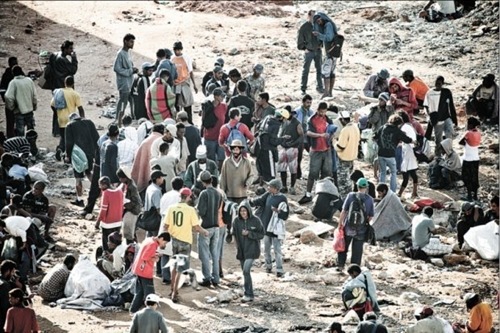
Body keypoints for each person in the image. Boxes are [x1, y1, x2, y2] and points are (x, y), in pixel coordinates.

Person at [164, 188, 208, 303]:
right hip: (185, 241)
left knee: (174, 266)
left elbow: (166, 226)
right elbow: (196, 227)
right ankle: (175, 293)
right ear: (188, 197)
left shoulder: (171, 208)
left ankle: (172, 288)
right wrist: (204, 232)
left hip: (174, 240)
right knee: (181, 268)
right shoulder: (190, 210)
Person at [249, 179, 289, 277]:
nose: (268, 188)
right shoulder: (268, 195)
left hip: (275, 230)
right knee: (266, 249)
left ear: (276, 188)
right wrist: (248, 202)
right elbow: (258, 201)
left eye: (270, 187)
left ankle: (279, 269)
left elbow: (285, 214)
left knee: (277, 250)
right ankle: (268, 266)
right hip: (266, 228)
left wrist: (278, 211)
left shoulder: (282, 198)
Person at [336, 178, 374, 270]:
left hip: (348, 227)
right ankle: (354, 270)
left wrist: (340, 224)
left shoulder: (350, 196)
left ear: (357, 186)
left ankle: (340, 265)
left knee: (343, 246)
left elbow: (344, 211)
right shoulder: (369, 200)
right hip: (361, 230)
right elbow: (370, 216)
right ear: (367, 187)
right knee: (357, 251)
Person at [299, 102, 332, 204]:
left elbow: (331, 128)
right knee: (313, 173)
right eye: (321, 111)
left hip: (326, 149)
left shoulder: (327, 118)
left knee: (326, 173)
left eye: (325, 111)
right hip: (316, 150)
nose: (323, 113)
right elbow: (308, 132)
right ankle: (308, 194)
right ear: (318, 110)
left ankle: (322, 194)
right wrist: (321, 135)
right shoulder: (312, 120)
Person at [129, 232, 170, 314]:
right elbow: (146, 257)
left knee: (139, 292)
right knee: (150, 294)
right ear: (161, 239)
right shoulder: (153, 245)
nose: (164, 244)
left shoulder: (149, 239)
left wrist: (155, 254)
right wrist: (155, 258)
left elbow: (146, 253)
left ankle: (133, 310)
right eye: (164, 242)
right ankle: (150, 313)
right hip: (145, 271)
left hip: (138, 269)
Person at [65, 113, 100, 207]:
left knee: (78, 177)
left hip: (78, 154)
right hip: (90, 153)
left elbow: (69, 143)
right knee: (89, 172)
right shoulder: (89, 122)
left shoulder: (70, 125)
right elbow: (97, 138)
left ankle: (79, 199)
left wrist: (67, 156)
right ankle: (99, 193)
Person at [232, 200, 265, 302]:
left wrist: (249, 234)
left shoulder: (256, 220)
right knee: (245, 272)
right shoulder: (236, 221)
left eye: (245, 211)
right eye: (241, 211)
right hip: (241, 250)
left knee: (246, 270)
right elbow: (234, 235)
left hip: (252, 250)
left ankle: (248, 294)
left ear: (249, 211)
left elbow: (261, 234)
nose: (243, 213)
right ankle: (250, 293)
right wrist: (237, 248)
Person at [196, 171, 222, 287]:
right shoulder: (218, 193)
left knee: (204, 254)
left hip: (205, 227)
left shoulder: (204, 193)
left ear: (202, 182)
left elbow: (201, 211)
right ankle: (216, 278)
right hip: (216, 226)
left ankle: (207, 278)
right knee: (214, 253)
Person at [375, 114, 413, 193]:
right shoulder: (397, 130)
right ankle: (392, 192)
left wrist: (380, 144)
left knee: (382, 173)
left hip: (381, 154)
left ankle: (381, 192)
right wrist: (414, 141)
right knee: (393, 173)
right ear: (398, 124)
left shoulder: (382, 127)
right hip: (390, 155)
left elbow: (374, 137)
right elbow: (407, 140)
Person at [51, 75, 85, 160]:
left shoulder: (59, 92)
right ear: (73, 84)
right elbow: (80, 108)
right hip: (71, 119)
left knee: (63, 136)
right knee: (70, 138)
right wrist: (82, 119)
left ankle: (60, 149)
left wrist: (57, 113)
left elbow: (52, 105)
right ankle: (67, 155)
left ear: (65, 83)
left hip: (61, 119)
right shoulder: (75, 94)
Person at [423, 76, 457, 156]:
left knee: (450, 135)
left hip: (446, 117)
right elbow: (426, 106)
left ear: (442, 84)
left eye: (439, 83)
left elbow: (451, 106)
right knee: (438, 139)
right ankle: (438, 155)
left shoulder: (446, 92)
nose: (437, 85)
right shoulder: (429, 93)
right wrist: (430, 116)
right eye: (436, 83)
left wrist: (454, 120)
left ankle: (449, 153)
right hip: (436, 118)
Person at [131, 123, 165, 195]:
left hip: (146, 177)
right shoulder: (162, 141)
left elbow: (138, 161)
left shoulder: (145, 142)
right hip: (160, 176)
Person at [4, 66, 37, 137]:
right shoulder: (29, 80)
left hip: (19, 111)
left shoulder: (13, 83)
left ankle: (21, 146)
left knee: (20, 132)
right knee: (31, 131)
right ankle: (31, 146)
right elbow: (34, 95)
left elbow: (8, 96)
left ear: (13, 73)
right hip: (29, 110)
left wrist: (11, 107)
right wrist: (34, 106)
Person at [334, 111, 361, 199]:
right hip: (352, 158)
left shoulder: (345, 130)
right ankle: (350, 199)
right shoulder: (355, 127)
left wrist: (334, 142)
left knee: (343, 183)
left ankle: (345, 202)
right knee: (348, 180)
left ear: (342, 119)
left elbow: (341, 146)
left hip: (344, 159)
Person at [277, 108, 303, 194]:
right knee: (282, 167)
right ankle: (284, 186)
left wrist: (293, 143)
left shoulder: (297, 123)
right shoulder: (283, 121)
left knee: (293, 168)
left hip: (292, 148)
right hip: (283, 147)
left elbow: (301, 136)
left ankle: (292, 187)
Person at [297, 10, 323, 95]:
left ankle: (320, 87)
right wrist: (305, 48)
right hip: (309, 51)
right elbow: (300, 41)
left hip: (318, 51)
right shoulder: (304, 27)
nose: (314, 18)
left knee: (319, 70)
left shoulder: (319, 25)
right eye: (312, 16)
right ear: (309, 16)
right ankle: (303, 88)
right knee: (306, 70)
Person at [171, 41, 198, 124]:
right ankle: (178, 122)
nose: (177, 52)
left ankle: (189, 121)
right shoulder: (172, 59)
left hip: (184, 83)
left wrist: (194, 85)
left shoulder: (186, 58)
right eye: (176, 50)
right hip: (176, 84)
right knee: (176, 104)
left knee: (187, 104)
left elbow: (190, 71)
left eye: (179, 50)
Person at [95, 176, 124, 253]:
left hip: (107, 224)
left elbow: (103, 211)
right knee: (116, 242)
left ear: (105, 185)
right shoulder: (119, 191)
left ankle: (106, 258)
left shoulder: (106, 193)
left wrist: (97, 223)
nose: (99, 187)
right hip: (118, 222)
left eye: (100, 185)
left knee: (107, 243)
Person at [220, 139, 253, 204]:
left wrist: (248, 182)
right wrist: (222, 192)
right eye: (234, 149)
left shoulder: (246, 162)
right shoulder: (226, 162)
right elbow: (222, 179)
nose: (235, 151)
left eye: (237, 149)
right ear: (231, 150)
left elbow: (251, 175)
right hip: (230, 195)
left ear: (241, 150)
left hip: (242, 194)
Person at [114, 33, 137, 127]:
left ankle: (122, 120)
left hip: (129, 82)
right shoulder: (120, 54)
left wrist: (134, 70)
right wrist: (130, 71)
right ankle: (118, 122)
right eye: (131, 42)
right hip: (124, 83)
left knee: (127, 101)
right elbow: (117, 68)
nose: (132, 44)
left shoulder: (127, 53)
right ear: (125, 41)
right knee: (123, 102)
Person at [313, 12, 338, 98]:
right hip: (333, 52)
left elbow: (329, 38)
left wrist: (318, 35)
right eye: (317, 21)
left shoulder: (328, 25)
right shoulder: (328, 25)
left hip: (330, 53)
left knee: (326, 72)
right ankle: (329, 92)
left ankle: (327, 92)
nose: (319, 22)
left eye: (319, 20)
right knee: (331, 72)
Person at [201, 87, 227, 170]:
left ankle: (220, 173)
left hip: (221, 137)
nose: (222, 98)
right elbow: (203, 121)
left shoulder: (224, 106)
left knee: (221, 158)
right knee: (210, 159)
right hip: (210, 137)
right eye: (221, 96)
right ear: (215, 96)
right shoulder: (207, 106)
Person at [117, 167, 142, 245]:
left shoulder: (132, 187)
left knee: (128, 233)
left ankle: (130, 247)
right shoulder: (126, 184)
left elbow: (135, 202)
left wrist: (125, 204)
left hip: (133, 211)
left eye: (121, 178)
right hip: (129, 209)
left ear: (125, 177)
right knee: (131, 231)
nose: (120, 180)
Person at [397, 111, 419, 198]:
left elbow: (403, 139)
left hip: (408, 152)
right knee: (412, 172)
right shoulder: (409, 126)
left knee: (405, 174)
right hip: (410, 151)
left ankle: (399, 193)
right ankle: (414, 192)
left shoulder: (404, 128)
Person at [459, 117, 481, 201]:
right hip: (476, 158)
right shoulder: (478, 133)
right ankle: (475, 195)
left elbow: (460, 142)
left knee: (466, 177)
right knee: (475, 177)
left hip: (467, 158)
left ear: (470, 125)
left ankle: (469, 195)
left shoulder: (468, 133)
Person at [0, 260, 22, 333]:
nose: (13, 274)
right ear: (8, 271)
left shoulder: (3, 282)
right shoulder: (4, 286)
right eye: (12, 272)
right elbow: (6, 307)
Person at [0, 57, 19, 138]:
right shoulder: (7, 75)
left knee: (13, 121)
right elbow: (2, 89)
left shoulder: (8, 74)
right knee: (13, 121)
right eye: (13, 63)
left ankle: (13, 137)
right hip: (14, 102)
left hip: (14, 102)